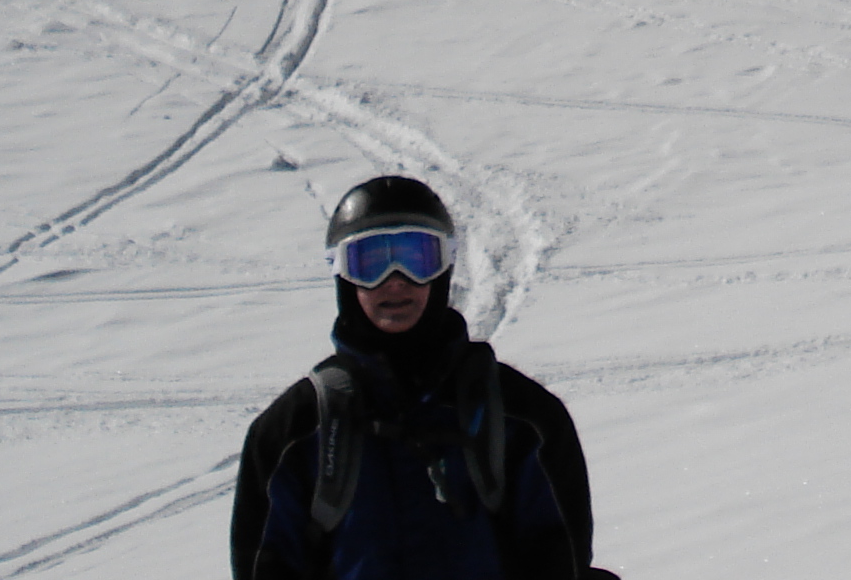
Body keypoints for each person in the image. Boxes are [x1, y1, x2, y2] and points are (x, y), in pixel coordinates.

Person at [232, 176, 606, 580]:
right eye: (371, 261)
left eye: (417, 257)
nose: (396, 279)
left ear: (444, 268)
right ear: (342, 273)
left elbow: (561, 558)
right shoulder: (295, 431)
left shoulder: (522, 417)